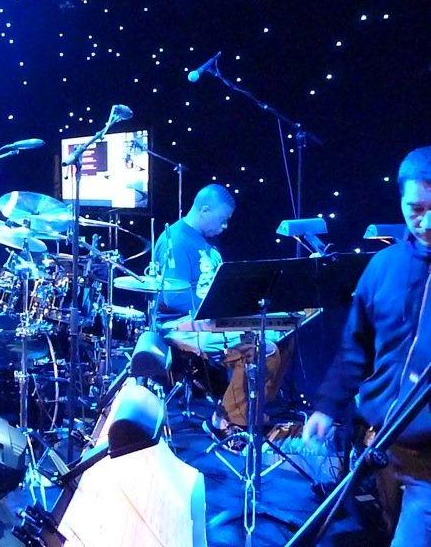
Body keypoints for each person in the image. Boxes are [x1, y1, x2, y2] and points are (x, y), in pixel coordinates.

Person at [303, 146, 431, 546]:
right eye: (416, 209)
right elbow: (355, 348)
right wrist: (327, 405)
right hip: (383, 446)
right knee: (387, 528)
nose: (427, 222)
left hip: (429, 462)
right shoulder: (383, 266)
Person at [154, 184, 288, 450]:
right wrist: (220, 311)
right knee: (263, 348)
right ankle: (225, 422)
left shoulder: (206, 241)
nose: (225, 226)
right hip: (182, 324)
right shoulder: (176, 241)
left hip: (213, 319)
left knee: (285, 334)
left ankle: (250, 411)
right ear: (204, 210)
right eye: (222, 219)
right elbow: (174, 298)